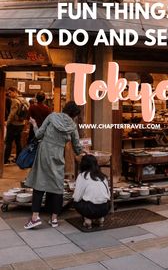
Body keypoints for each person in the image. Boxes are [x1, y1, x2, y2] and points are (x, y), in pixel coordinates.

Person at [24, 101, 82, 230]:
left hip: (44, 152)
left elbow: (39, 134)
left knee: (40, 183)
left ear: (64, 108)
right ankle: (54, 219)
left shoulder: (52, 116)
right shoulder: (72, 125)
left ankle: (35, 217)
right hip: (58, 155)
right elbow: (77, 146)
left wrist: (34, 125)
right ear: (74, 114)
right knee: (57, 186)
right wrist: (83, 151)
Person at [73, 154, 110, 229]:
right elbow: (108, 195)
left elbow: (77, 197)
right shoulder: (102, 176)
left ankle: (88, 219)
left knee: (75, 202)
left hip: (90, 209)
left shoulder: (82, 175)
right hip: (105, 208)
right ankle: (100, 218)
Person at [4, 87, 29, 164]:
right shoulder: (24, 100)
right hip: (21, 124)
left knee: (8, 142)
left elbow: (12, 114)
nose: (9, 94)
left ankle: (5, 159)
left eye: (10, 92)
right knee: (18, 142)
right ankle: (19, 158)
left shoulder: (15, 101)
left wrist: (7, 123)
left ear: (15, 92)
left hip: (14, 124)